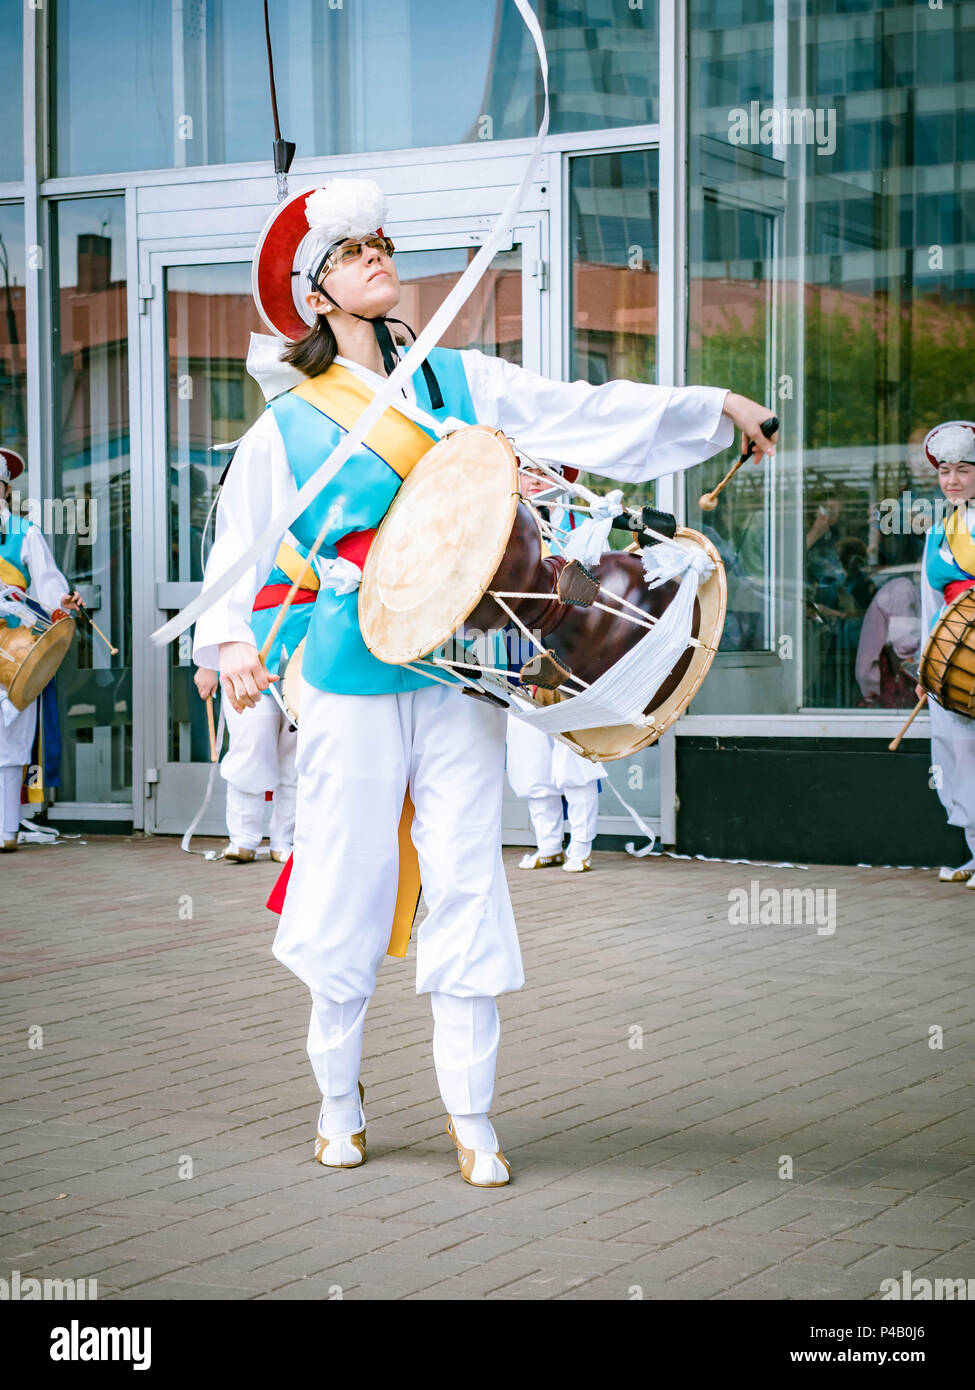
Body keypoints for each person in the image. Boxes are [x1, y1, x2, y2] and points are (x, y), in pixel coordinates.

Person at [192, 179, 778, 1186]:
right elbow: (239, 553)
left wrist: (708, 407)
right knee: (343, 878)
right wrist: (228, 640)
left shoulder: (456, 379)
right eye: (351, 251)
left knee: (466, 871)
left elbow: (580, 414)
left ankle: (472, 1109)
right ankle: (339, 1097)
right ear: (316, 295)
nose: (380, 256)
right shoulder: (284, 427)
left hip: (464, 664)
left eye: (382, 240)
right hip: (343, 668)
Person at [193, 533, 317, 863]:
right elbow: (216, 597)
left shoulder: (317, 525)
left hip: (307, 649)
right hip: (249, 652)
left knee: (297, 754)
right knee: (251, 743)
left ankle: (284, 841)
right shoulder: (249, 525)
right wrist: (208, 664)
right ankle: (243, 837)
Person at [505, 466, 604, 872]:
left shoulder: (583, 524)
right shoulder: (508, 526)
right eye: (527, 472)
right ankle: (548, 844)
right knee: (531, 760)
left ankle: (581, 845)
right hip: (519, 652)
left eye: (545, 471)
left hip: (571, 653)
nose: (536, 480)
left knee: (575, 759)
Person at [0, 448, 82, 851]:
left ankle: (6, 830)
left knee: (11, 739)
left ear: (5, 491)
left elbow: (48, 582)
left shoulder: (25, 531)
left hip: (15, 647)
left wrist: (59, 603)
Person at [916, 421, 975, 887]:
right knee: (955, 754)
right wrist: (926, 666)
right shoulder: (937, 532)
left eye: (964, 470)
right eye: (945, 472)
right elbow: (930, 607)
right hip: (951, 660)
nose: (952, 480)